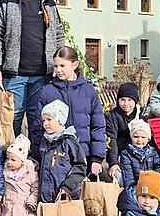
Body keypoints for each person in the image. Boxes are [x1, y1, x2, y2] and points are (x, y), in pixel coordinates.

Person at [0, 0, 65, 136]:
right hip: (14, 74)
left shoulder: (48, 4)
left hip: (42, 74)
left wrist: (59, 65)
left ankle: (37, 157)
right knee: (11, 117)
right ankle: (11, 157)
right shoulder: (6, 4)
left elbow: (59, 34)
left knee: (38, 117)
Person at [33, 46, 106, 175]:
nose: (58, 70)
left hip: (84, 154)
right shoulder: (47, 91)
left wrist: (97, 158)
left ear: (75, 65)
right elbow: (38, 126)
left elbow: (98, 126)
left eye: (62, 66)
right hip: (55, 156)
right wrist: (38, 156)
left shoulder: (88, 91)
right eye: (56, 66)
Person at [37, 99, 87, 216]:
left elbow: (80, 166)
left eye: (49, 120)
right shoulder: (44, 141)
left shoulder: (69, 142)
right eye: (44, 120)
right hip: (46, 191)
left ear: (60, 120)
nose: (46, 124)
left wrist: (67, 186)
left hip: (64, 191)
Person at [105, 82, 142, 180]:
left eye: (130, 100)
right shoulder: (111, 116)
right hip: (119, 154)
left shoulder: (140, 116)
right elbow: (111, 139)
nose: (126, 104)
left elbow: (148, 137)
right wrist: (113, 163)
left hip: (138, 154)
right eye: (122, 100)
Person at [118, 118, 160, 190]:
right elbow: (128, 176)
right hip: (135, 186)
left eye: (143, 137)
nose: (139, 140)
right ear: (131, 137)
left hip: (152, 184)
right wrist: (133, 189)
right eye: (136, 137)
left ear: (148, 139)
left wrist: (151, 180)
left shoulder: (153, 152)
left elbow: (158, 167)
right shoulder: (126, 154)